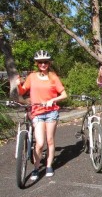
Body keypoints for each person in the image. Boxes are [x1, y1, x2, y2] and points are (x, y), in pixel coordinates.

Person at [16, 50, 68, 180]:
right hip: (37, 112)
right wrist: (18, 84)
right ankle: (36, 167)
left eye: (45, 62)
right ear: (37, 63)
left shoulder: (53, 77)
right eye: (40, 62)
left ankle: (49, 165)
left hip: (51, 112)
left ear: (49, 63)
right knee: (39, 143)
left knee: (50, 140)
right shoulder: (32, 77)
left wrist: (52, 100)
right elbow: (23, 91)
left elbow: (64, 94)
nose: (43, 64)